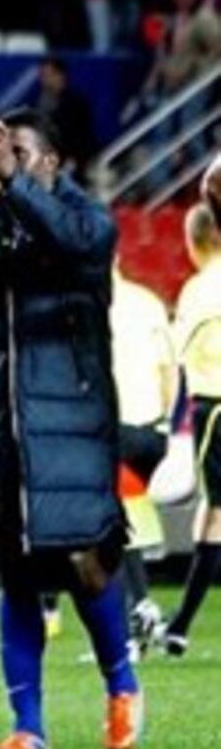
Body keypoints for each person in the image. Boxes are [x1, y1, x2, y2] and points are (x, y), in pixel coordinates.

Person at [0, 110, 141, 749]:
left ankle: (122, 684)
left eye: (18, 153)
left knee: (85, 559)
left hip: (72, 418)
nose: (6, 163)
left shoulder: (87, 219)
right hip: (4, 420)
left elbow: (75, 247)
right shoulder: (0, 218)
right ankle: (28, 727)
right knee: (16, 570)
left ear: (49, 162)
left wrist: (14, 187)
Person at [157, 203, 221, 656]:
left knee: (214, 512)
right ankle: (179, 624)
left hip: (215, 405)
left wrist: (172, 421)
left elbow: (180, 364)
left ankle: (179, 626)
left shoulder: (199, 290)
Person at [107, 261, 176, 654]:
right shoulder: (148, 302)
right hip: (152, 430)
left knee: (113, 529)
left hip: (113, 429)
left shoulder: (87, 303)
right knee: (129, 524)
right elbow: (169, 371)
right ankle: (142, 609)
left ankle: (138, 615)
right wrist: (165, 420)